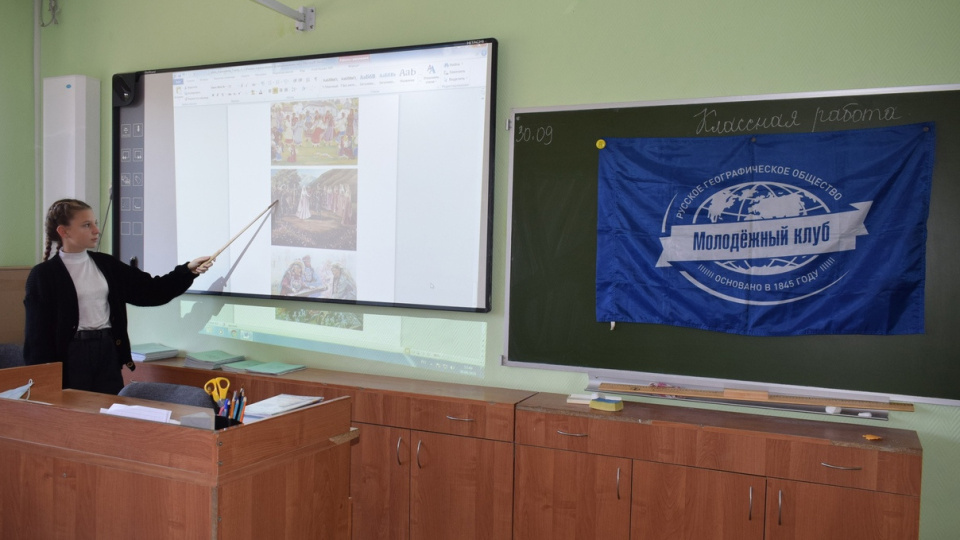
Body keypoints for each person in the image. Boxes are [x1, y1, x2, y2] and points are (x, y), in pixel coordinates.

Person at [23, 199, 213, 395]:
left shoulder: (106, 264)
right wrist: (42, 383)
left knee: (109, 408)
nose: (96, 230)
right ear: (64, 231)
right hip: (72, 356)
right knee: (75, 410)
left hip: (107, 350)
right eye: (87, 225)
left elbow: (152, 291)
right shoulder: (43, 275)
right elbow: (36, 338)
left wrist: (187, 271)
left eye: (95, 223)